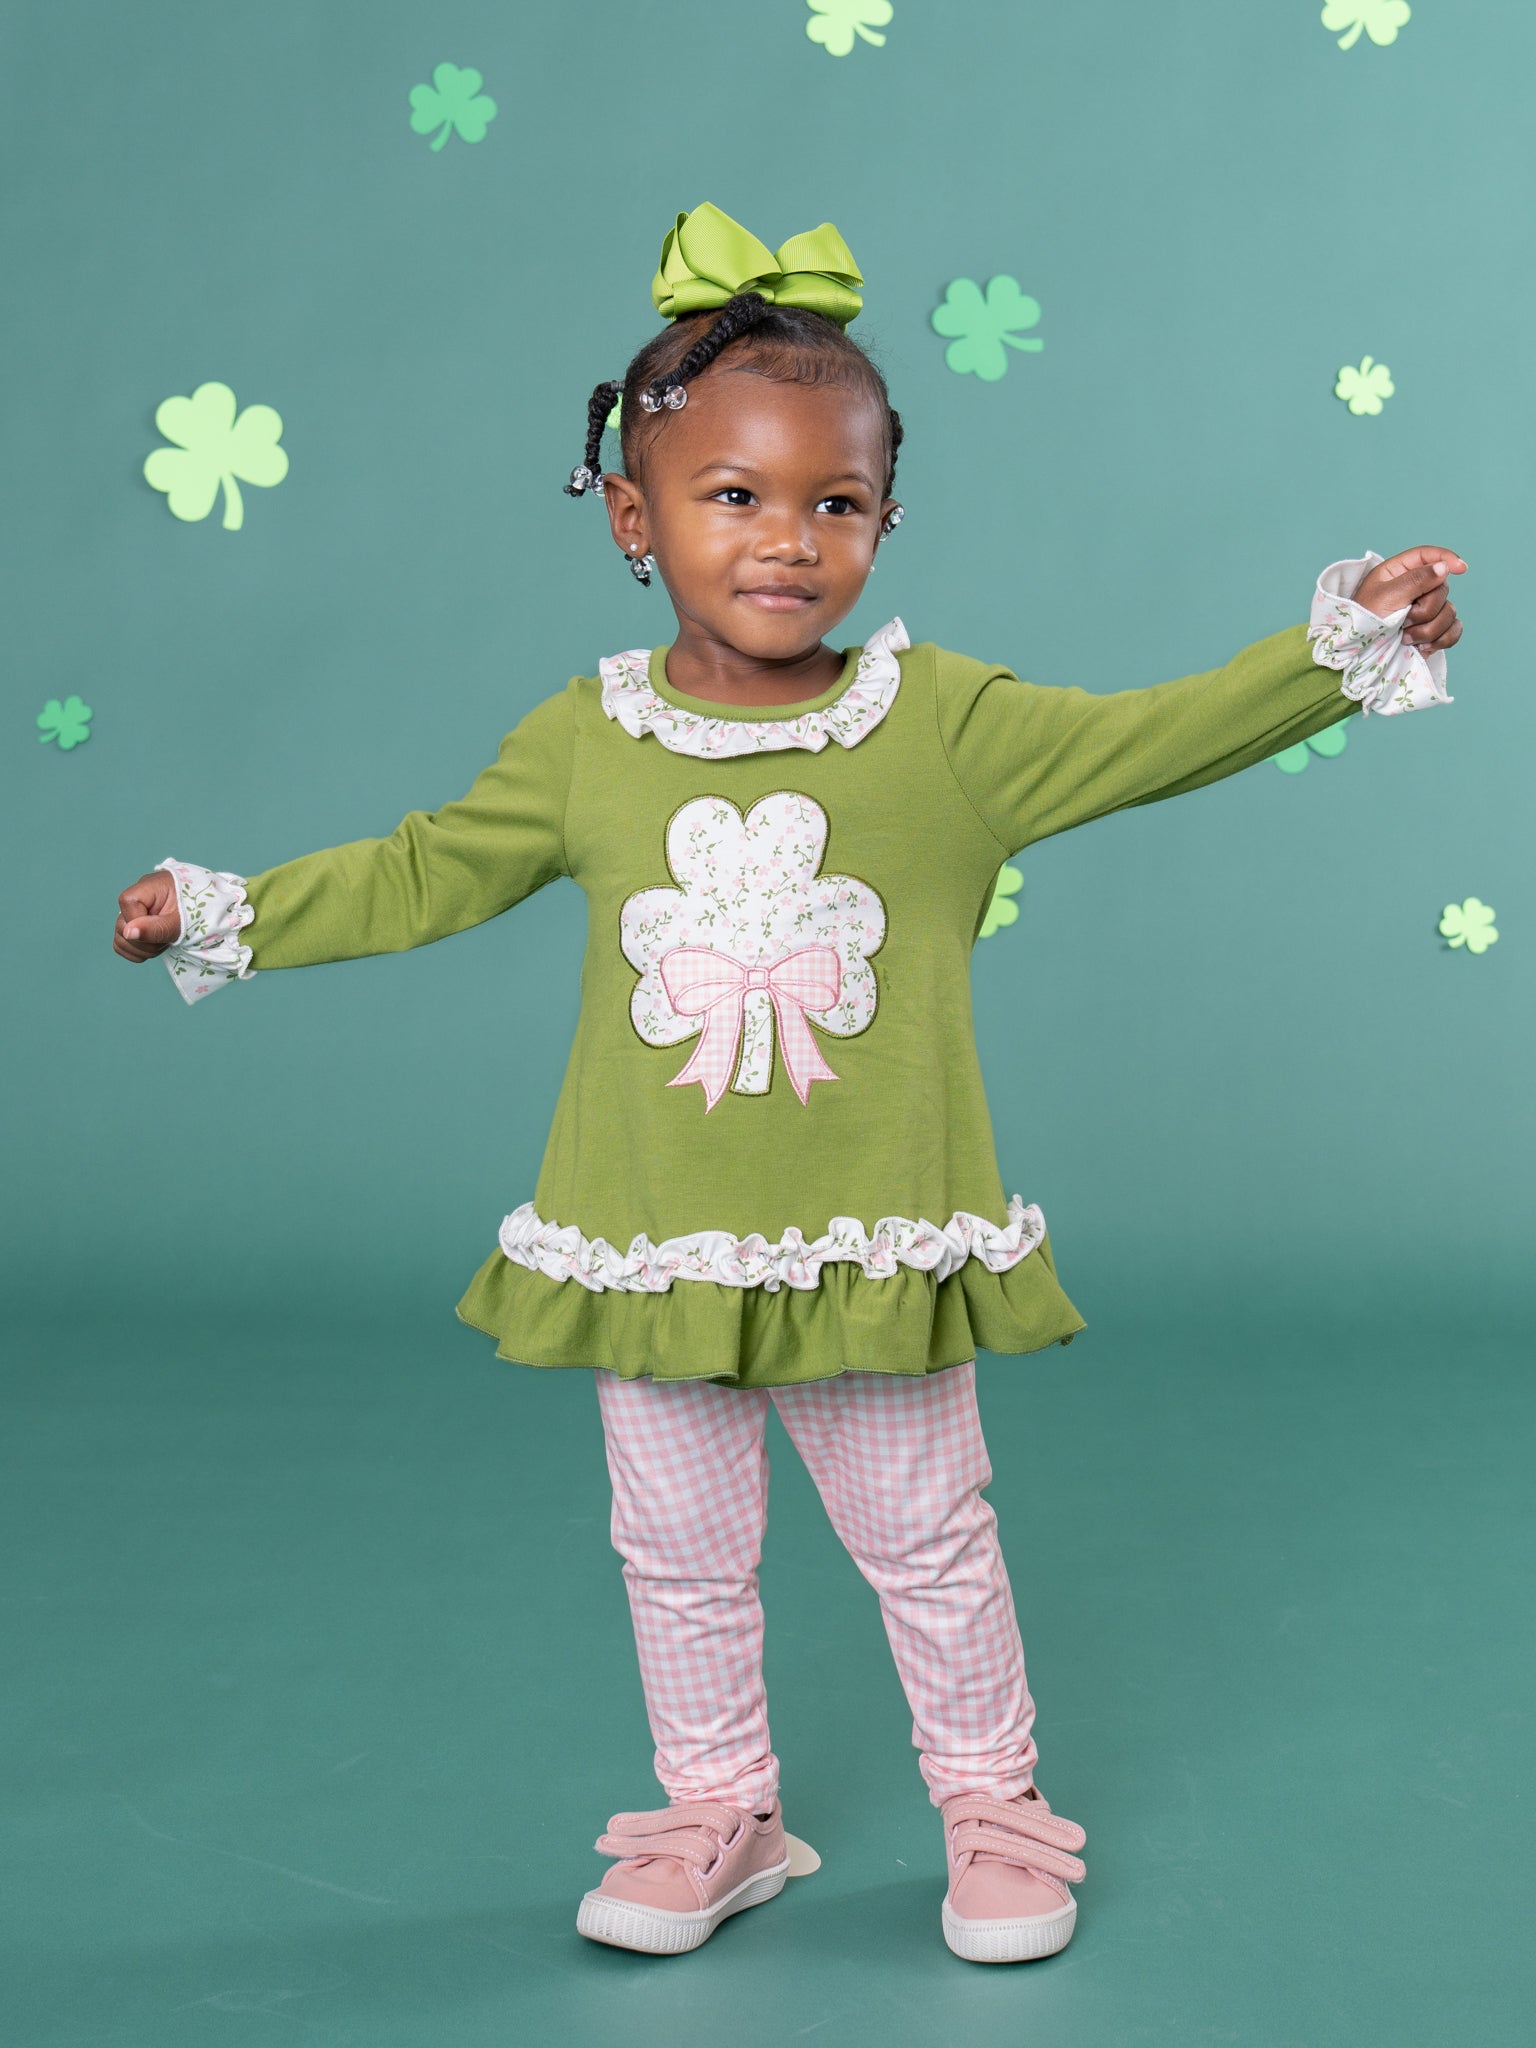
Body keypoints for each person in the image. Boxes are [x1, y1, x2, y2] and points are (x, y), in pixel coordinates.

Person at [112, 202, 1465, 1965]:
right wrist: (234, 914)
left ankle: (991, 1807)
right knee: (676, 1558)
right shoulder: (586, 741)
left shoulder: (942, 726)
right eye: (735, 495)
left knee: (928, 1541)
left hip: (871, 1240)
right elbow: (426, 869)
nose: (787, 540)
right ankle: (719, 1811)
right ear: (634, 515)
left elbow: (1155, 737)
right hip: (653, 1244)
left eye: (836, 503)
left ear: (888, 519)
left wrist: (1340, 645)